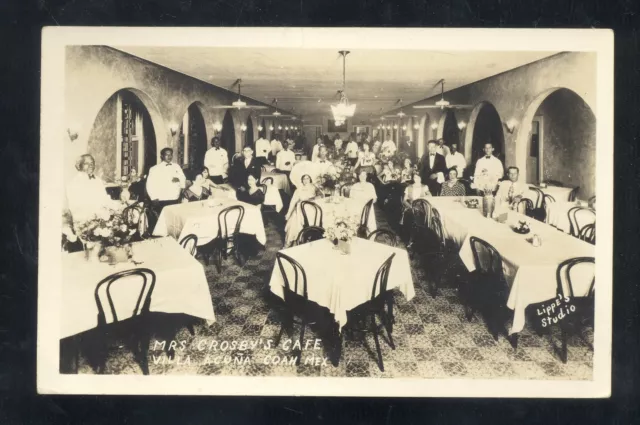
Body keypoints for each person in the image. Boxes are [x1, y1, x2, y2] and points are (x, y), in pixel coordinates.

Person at [66, 154, 119, 225]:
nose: (90, 165)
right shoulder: (74, 183)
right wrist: (98, 214)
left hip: (101, 219)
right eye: (86, 163)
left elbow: (105, 198)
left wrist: (116, 207)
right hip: (84, 223)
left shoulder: (98, 180)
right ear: (79, 166)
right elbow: (76, 208)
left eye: (92, 163)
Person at [399, 173, 432, 244]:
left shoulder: (424, 187)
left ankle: (419, 239)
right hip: (411, 207)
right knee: (411, 217)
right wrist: (410, 207)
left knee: (421, 217)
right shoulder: (409, 187)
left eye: (418, 178)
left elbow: (430, 196)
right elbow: (404, 200)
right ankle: (411, 239)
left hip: (422, 207)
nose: (416, 179)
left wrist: (427, 196)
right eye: (414, 178)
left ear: (420, 178)